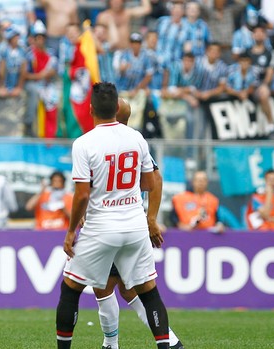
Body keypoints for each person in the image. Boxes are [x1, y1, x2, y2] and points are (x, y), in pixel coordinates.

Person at [56, 82, 170, 349]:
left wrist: (71, 231)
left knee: (71, 288)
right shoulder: (136, 138)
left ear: (91, 108)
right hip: (134, 226)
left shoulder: (84, 143)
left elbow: (82, 195)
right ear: (118, 107)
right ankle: (164, 345)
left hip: (101, 226)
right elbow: (149, 183)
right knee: (149, 292)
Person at [92, 98, 184, 349]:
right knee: (131, 290)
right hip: (134, 226)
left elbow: (85, 189)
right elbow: (156, 178)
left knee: (103, 286)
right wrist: (151, 218)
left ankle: (110, 344)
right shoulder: (136, 140)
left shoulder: (97, 141)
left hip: (107, 225)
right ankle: (172, 343)